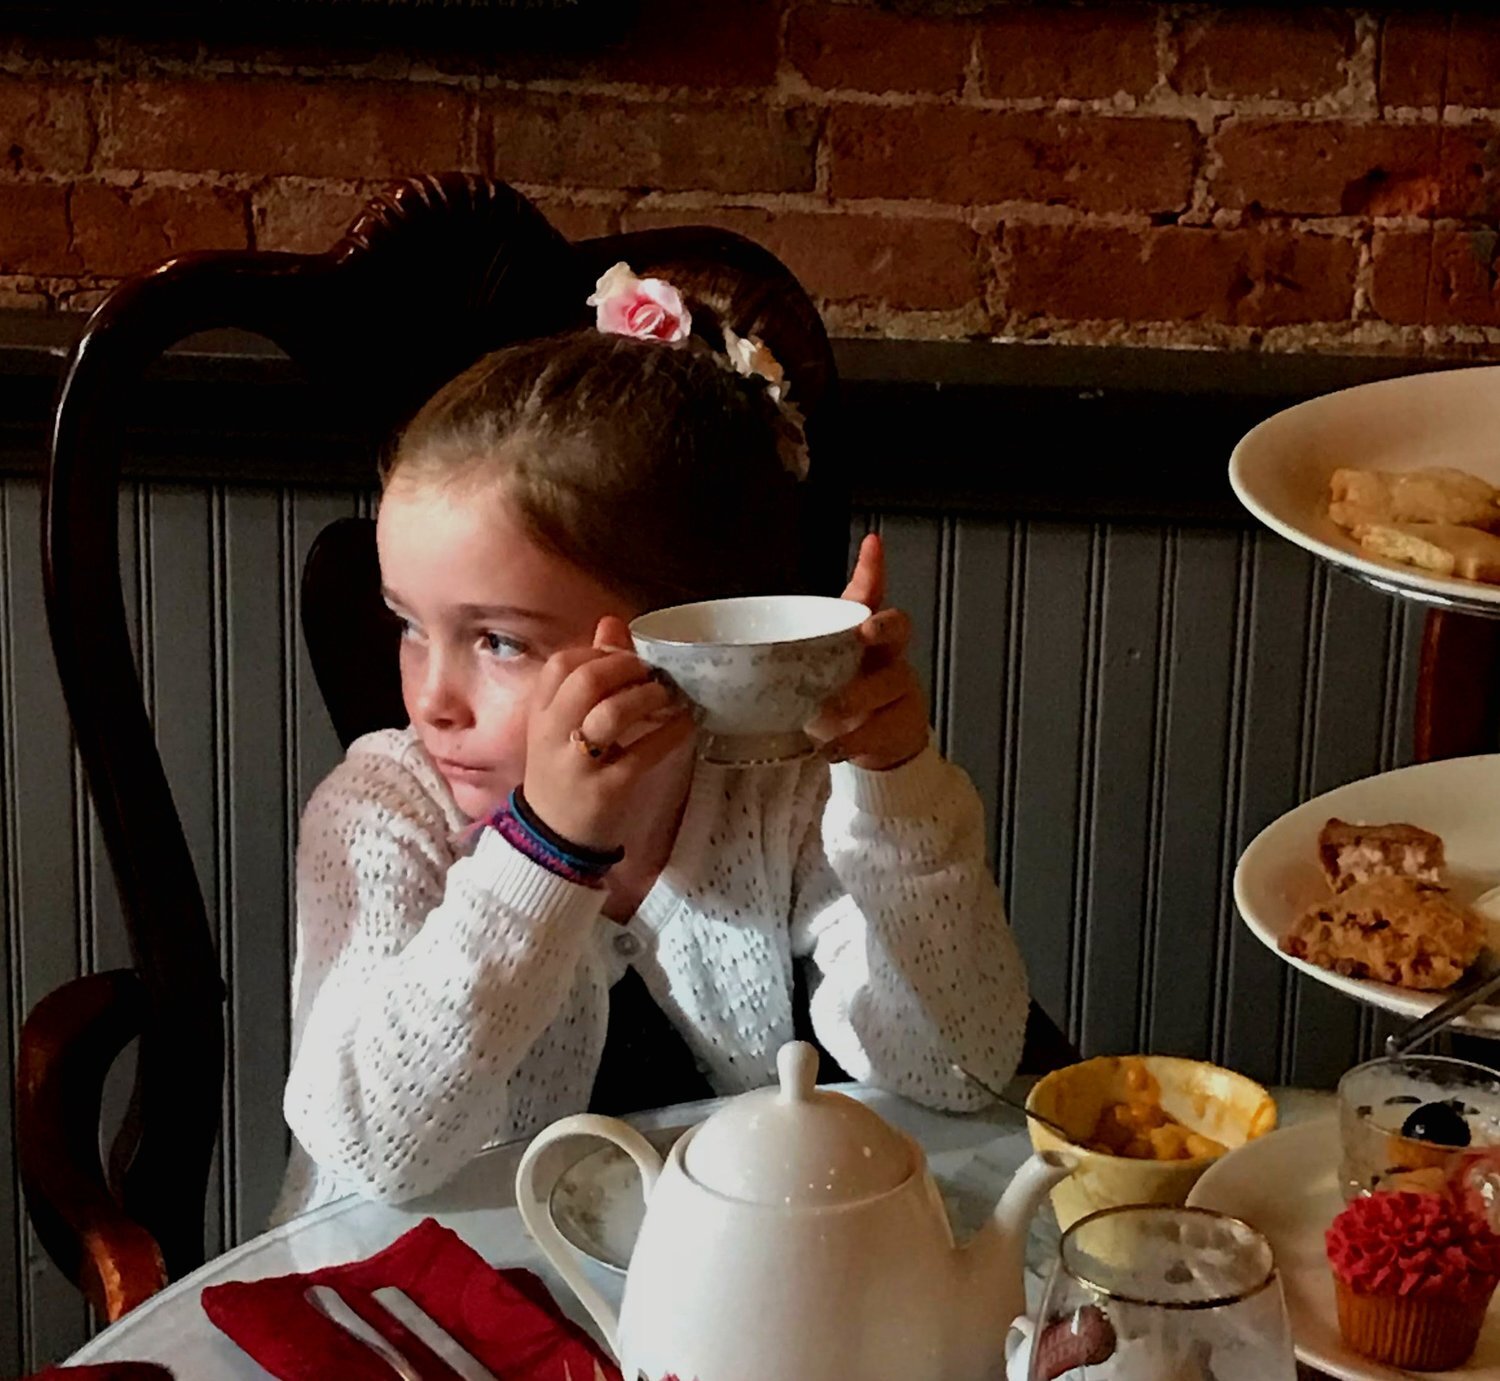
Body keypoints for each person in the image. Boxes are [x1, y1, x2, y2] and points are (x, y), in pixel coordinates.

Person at [273, 245, 1028, 1222]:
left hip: (688, 1303)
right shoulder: (382, 812)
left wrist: (893, 790)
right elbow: (371, 1148)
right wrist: (541, 853)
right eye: (411, 626)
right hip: (404, 1308)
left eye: (497, 640)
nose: (431, 699)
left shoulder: (776, 796)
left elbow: (958, 1066)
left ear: (695, 637)